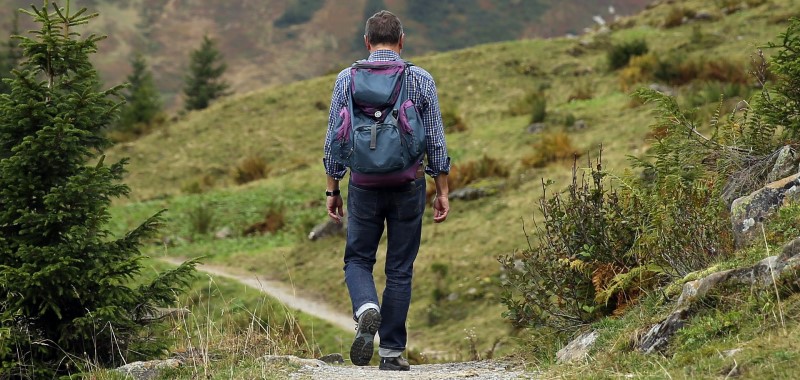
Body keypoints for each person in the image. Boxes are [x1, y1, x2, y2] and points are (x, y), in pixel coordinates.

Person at [322, 10, 451, 372]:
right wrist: (441, 189)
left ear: (366, 42)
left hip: (363, 184)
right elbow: (436, 141)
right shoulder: (420, 79)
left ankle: (366, 308)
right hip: (408, 184)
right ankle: (392, 352)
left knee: (358, 259)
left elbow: (335, 139)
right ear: (401, 40)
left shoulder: (346, 80)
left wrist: (333, 188)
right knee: (399, 268)